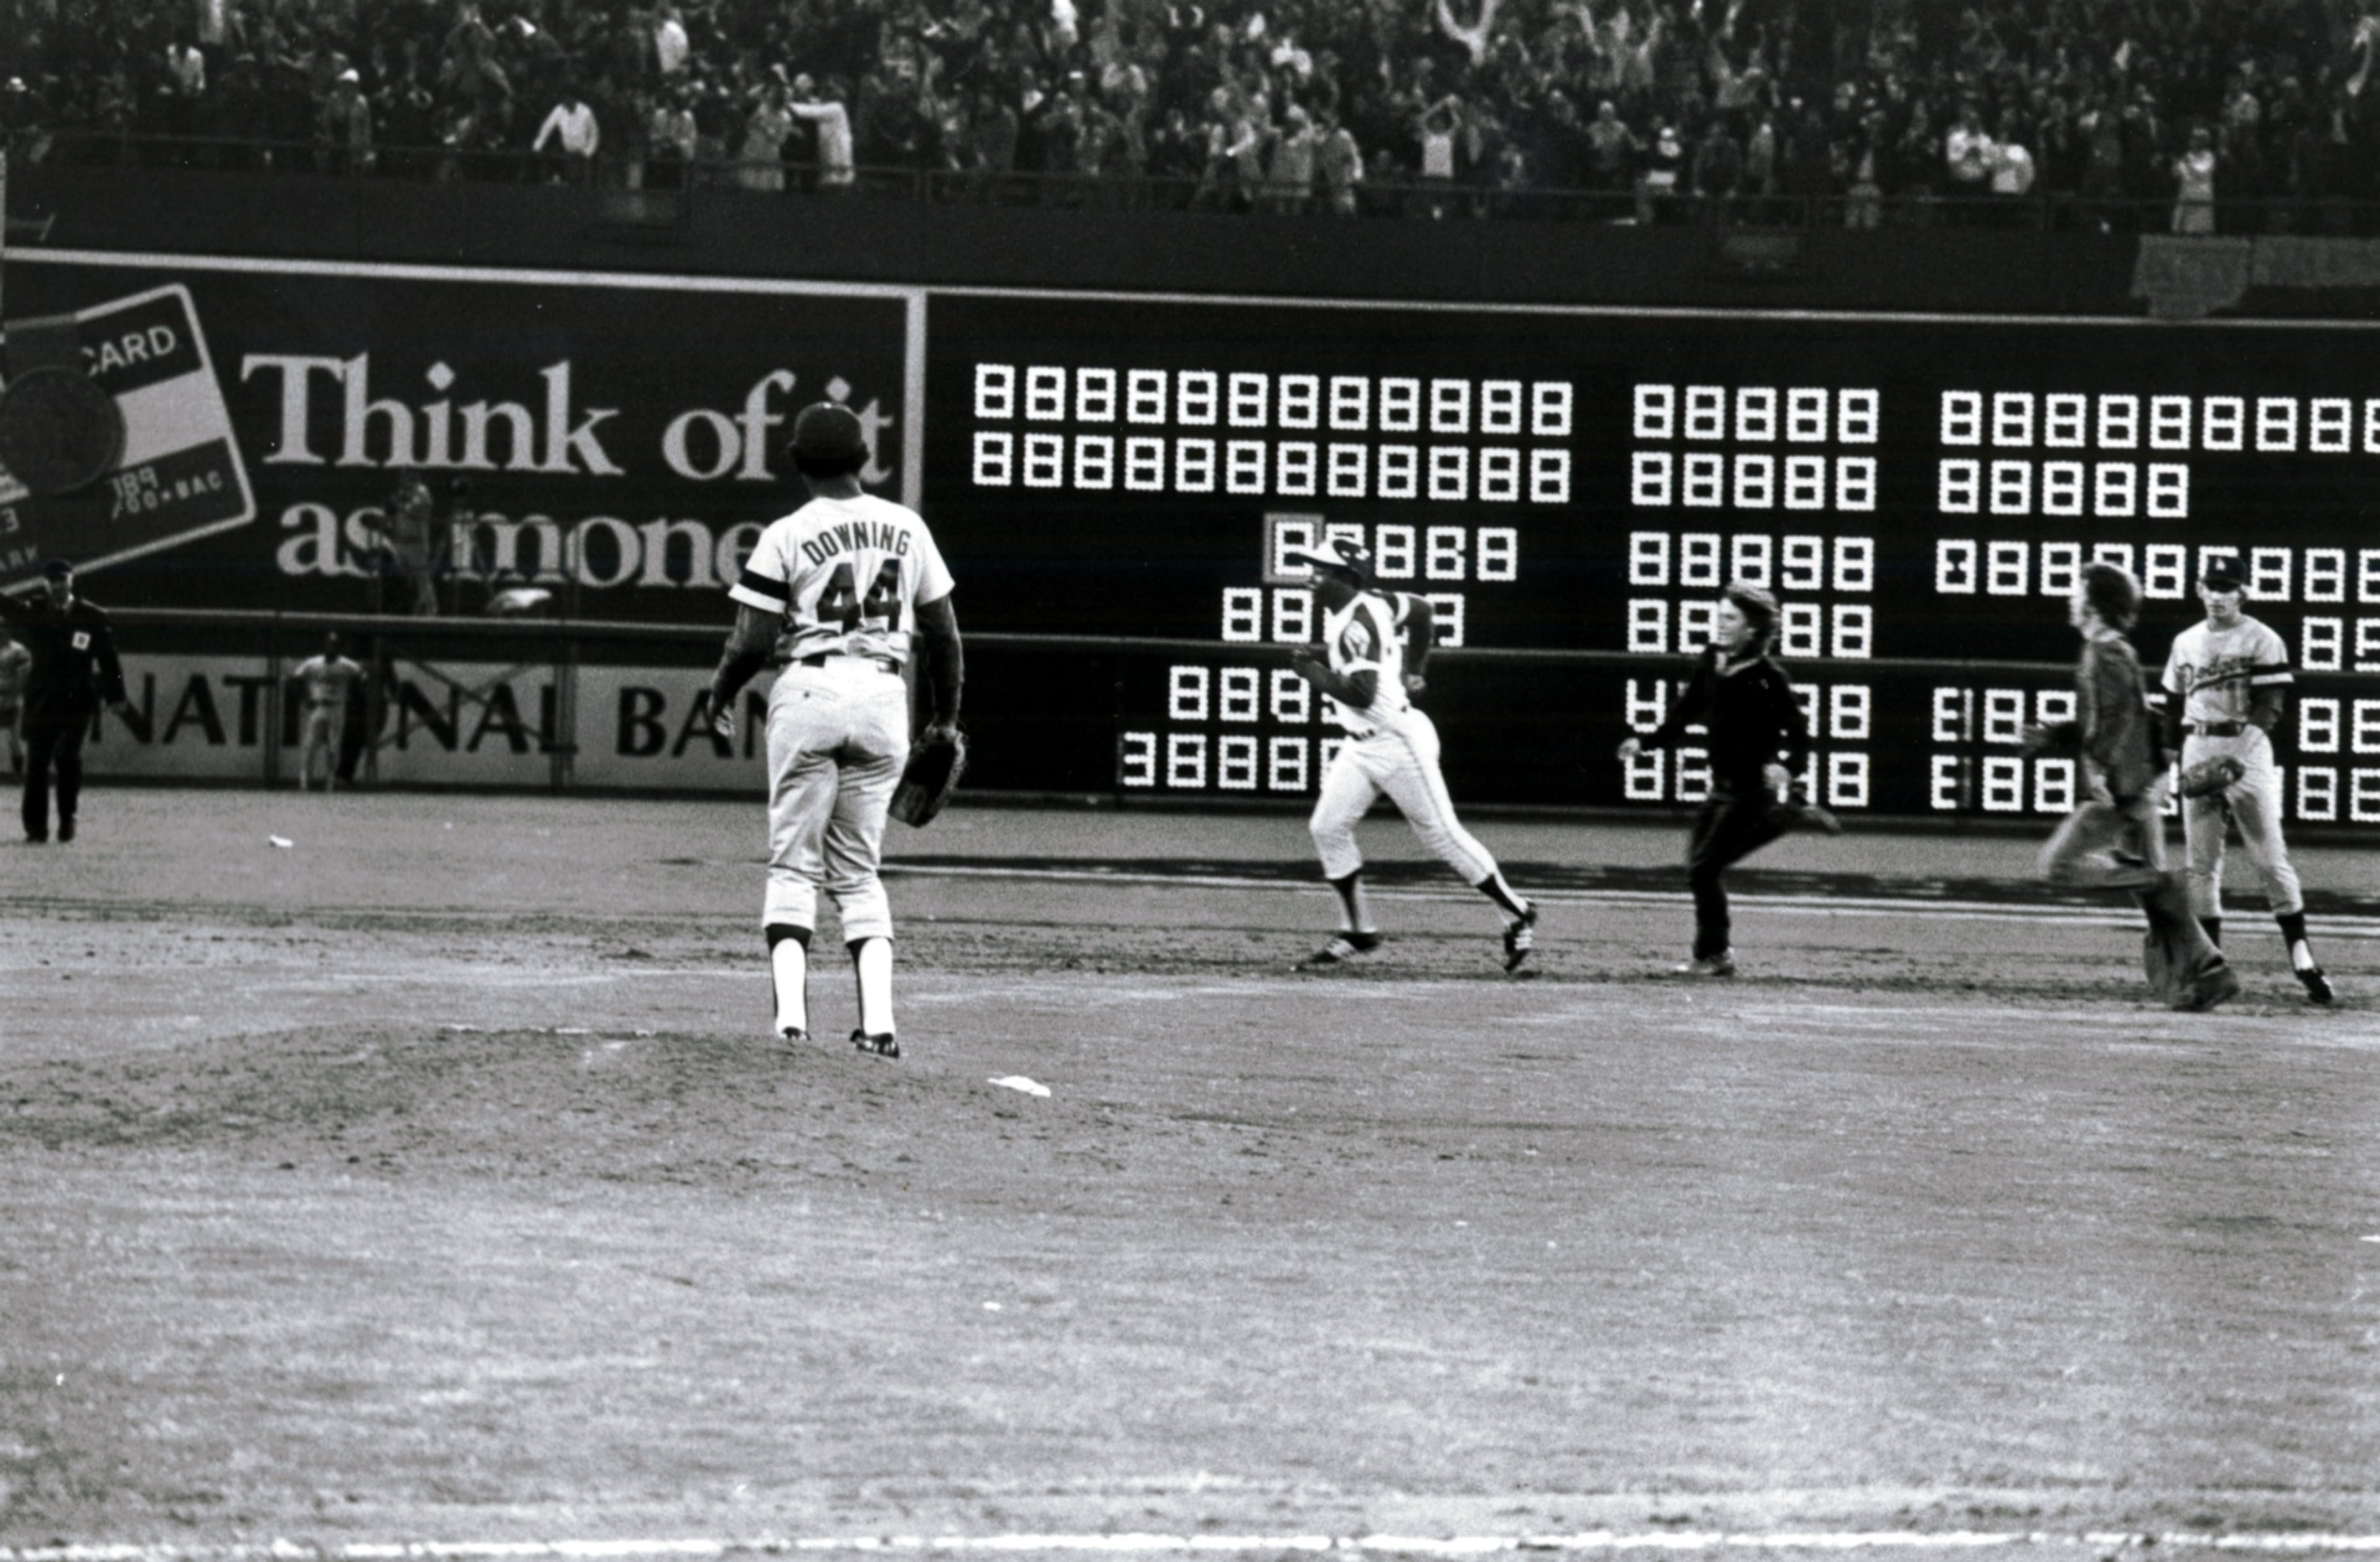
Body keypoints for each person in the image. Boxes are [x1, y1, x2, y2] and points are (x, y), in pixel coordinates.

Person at [707, 403, 963, 1060]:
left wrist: (722, 691)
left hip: (811, 689)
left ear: (796, 462)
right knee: (858, 868)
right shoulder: (908, 526)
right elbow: (943, 634)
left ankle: (791, 1022)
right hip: (884, 694)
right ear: (863, 459)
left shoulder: (789, 532)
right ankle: (880, 1026)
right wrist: (945, 717)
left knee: (794, 861)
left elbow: (753, 640)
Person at [1289, 537, 1537, 975]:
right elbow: (1423, 610)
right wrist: (1418, 668)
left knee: (1441, 835)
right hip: (1361, 744)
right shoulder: (1379, 601)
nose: (1312, 577)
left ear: (1347, 578)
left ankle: (1517, 911)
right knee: (1327, 827)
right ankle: (1359, 930)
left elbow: (1361, 695)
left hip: (1397, 740)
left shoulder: (1356, 624)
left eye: (1322, 571)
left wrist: (1311, 671)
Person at [2023, 563, 2237, 1012]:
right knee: (2157, 905)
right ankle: (2210, 970)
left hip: (2121, 791)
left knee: (2056, 866)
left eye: (2077, 592)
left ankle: (2159, 882)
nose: (2070, 599)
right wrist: (2058, 734)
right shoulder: (2106, 650)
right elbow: (2104, 717)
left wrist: (2098, 769)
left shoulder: (2106, 652)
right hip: (2136, 787)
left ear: (2096, 605)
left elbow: (2118, 716)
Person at [1617, 581, 1841, 976]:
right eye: (1719, 615)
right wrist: (1644, 743)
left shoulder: (1769, 677)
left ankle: (1714, 955)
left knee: (1703, 870)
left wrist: (1788, 768)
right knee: (1701, 868)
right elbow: (1683, 716)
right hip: (1719, 790)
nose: (1720, 623)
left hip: (1752, 792)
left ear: (1751, 628)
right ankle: (1791, 814)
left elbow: (1803, 739)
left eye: (1729, 618)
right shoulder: (1711, 660)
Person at [2159, 557, 2332, 1004]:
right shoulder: (2185, 642)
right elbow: (2171, 707)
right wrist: (2169, 767)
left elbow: (2270, 705)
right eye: (2211, 585)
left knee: (2270, 860)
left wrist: (2236, 756)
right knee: (2200, 866)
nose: (2218, 594)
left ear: (2243, 592)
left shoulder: (2262, 638)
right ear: (2199, 589)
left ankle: (2302, 955)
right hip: (2198, 744)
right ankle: (2210, 965)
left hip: (2247, 748)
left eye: (2227, 587)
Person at [0, 561, 134, 845]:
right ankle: (36, 829)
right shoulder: (35, 612)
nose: (58, 585)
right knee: (37, 762)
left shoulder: (92, 616)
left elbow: (110, 661)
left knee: (67, 759)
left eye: (62, 579)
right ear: (45, 584)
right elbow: (7, 605)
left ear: (71, 581)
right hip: (42, 700)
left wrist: (117, 695)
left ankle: (67, 818)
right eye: (52, 581)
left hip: (77, 701)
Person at [291, 632, 365, 792]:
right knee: (310, 745)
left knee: (333, 747)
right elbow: (297, 677)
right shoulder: (314, 663)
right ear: (324, 646)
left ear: (339, 648)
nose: (331, 648)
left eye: (335, 645)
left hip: (337, 706)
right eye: (329, 644)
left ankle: (329, 783)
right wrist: (305, 698)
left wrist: (354, 693)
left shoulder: (347, 665)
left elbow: (361, 676)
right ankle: (304, 782)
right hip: (319, 705)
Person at [375, 470, 440, 615]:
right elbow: (396, 515)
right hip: (401, 541)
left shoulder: (422, 492)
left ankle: (431, 612)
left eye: (407, 477)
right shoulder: (402, 493)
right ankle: (410, 610)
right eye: (402, 477)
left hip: (417, 543)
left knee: (422, 579)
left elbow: (414, 510)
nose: (403, 481)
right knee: (403, 580)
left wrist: (398, 503)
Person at [0, 628, 29, 774]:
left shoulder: (18, 650)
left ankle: (18, 771)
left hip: (11, 695)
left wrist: (13, 696)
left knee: (14, 738)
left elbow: (23, 676)